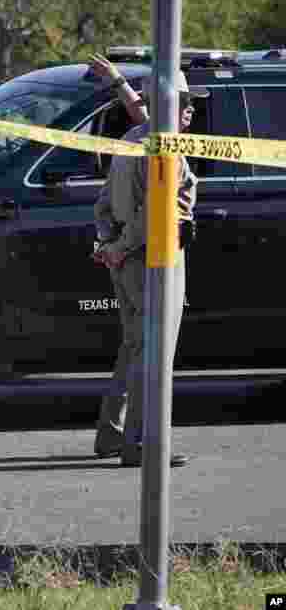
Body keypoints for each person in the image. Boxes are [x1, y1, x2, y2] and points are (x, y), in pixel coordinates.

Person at [89, 55, 208, 468]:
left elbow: (102, 203)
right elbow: (156, 210)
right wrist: (120, 246)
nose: (192, 108)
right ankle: (140, 444)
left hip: (125, 261)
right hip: (153, 259)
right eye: (185, 101)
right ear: (168, 107)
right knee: (155, 354)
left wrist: (108, 244)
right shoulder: (164, 151)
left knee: (134, 348)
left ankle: (114, 434)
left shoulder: (135, 140)